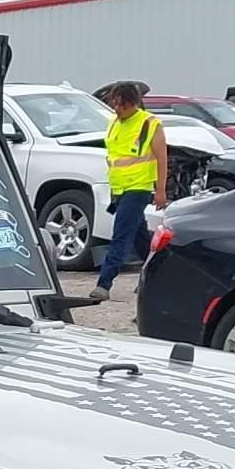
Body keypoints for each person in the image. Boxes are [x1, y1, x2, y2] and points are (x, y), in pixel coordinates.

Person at [71, 81, 164, 305]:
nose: (117, 109)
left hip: (139, 188)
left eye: (121, 105)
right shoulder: (114, 122)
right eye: (114, 105)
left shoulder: (149, 124)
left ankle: (104, 283)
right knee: (141, 237)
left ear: (133, 103)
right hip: (119, 188)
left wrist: (160, 190)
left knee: (121, 235)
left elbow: (162, 157)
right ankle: (161, 271)